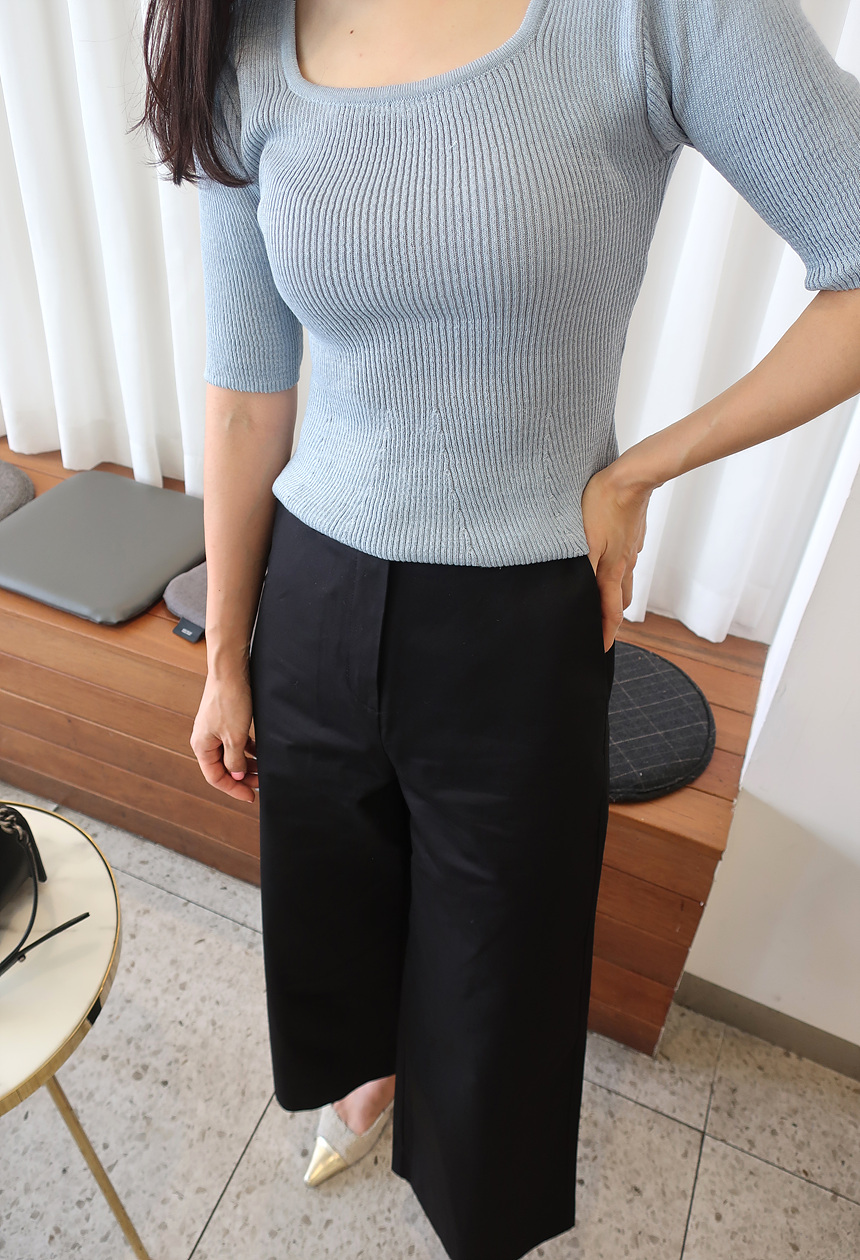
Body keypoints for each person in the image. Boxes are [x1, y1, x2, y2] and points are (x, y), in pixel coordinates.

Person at [139, 0, 860, 1256]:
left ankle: (469, 1207)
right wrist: (225, 660)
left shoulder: (650, 18)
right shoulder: (241, 38)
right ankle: (367, 1078)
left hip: (518, 610)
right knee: (333, 897)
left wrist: (636, 475)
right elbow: (248, 394)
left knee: (498, 977)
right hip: (312, 591)